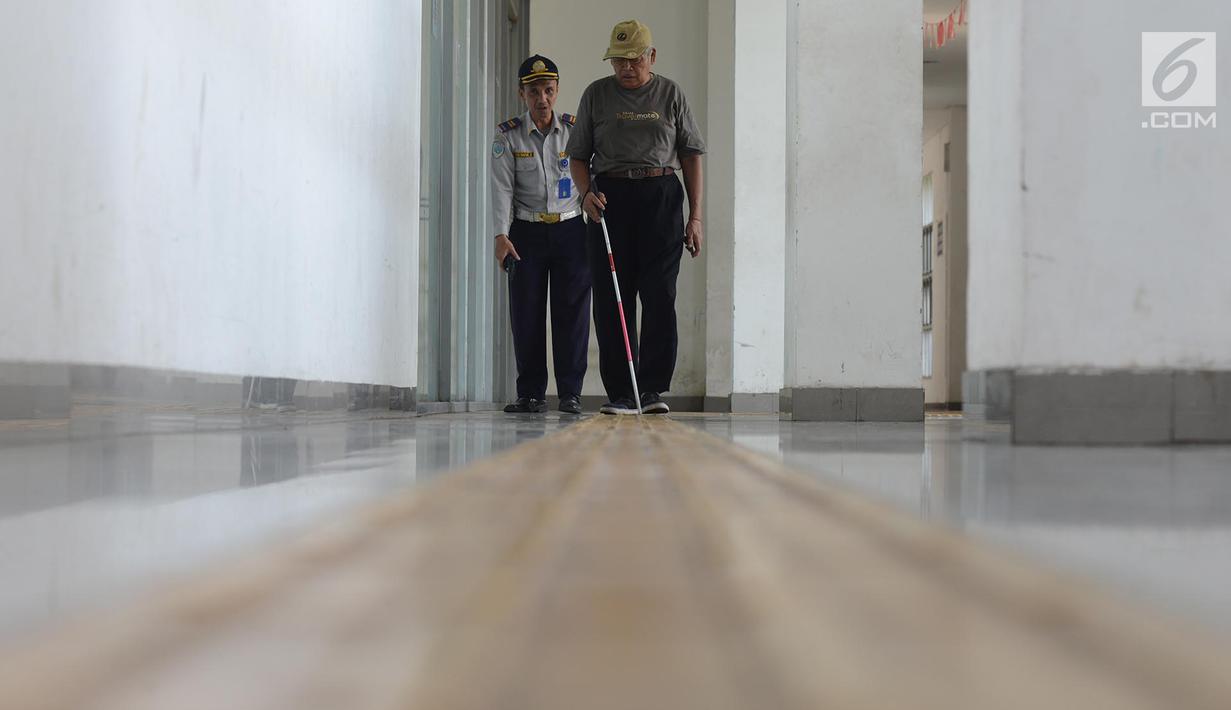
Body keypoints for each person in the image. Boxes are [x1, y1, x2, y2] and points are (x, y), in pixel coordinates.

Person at [567, 20, 706, 416]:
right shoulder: (596, 95)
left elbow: (691, 155)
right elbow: (578, 156)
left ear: (652, 56)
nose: (626, 68)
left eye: (634, 59)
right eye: (618, 60)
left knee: (660, 294)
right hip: (610, 201)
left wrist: (695, 217)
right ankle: (623, 393)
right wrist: (586, 195)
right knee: (614, 297)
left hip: (661, 197)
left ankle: (652, 389)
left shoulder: (670, 94)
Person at [491, 54, 591, 415]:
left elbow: (589, 177)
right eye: (534, 92)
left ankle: (570, 393)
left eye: (548, 90)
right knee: (527, 314)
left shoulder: (575, 130)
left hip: (571, 229)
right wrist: (501, 236)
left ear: (557, 90)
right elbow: (502, 189)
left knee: (572, 314)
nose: (542, 99)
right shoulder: (507, 136)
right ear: (522, 94)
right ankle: (531, 393)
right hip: (526, 233)